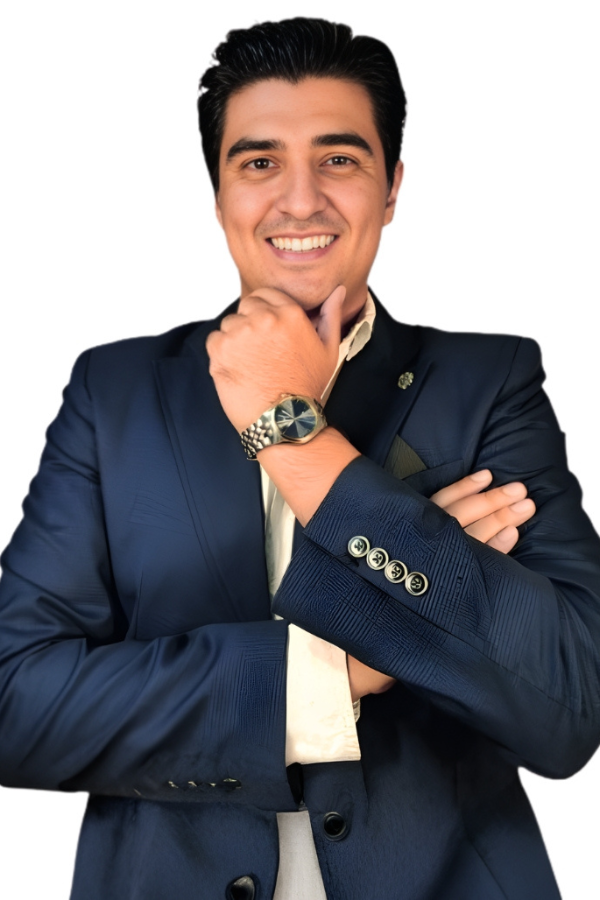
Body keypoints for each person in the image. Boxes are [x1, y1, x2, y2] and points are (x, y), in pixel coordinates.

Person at [0, 16, 599, 900]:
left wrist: (294, 433)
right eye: (258, 162)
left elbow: (570, 704)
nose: (300, 199)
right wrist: (340, 669)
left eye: (339, 158)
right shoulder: (115, 392)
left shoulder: (487, 382)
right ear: (219, 194)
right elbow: (16, 703)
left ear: (391, 188)